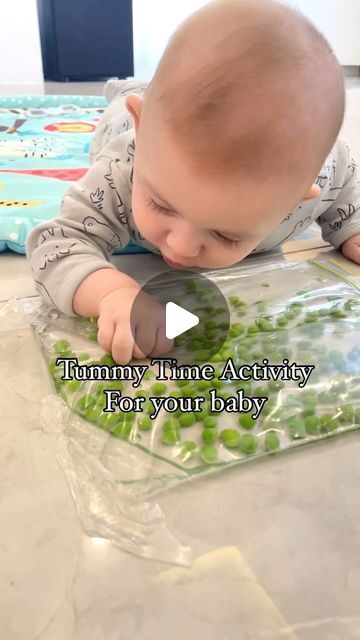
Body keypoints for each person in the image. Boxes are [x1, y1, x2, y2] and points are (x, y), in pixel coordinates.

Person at [27, 0, 360, 364]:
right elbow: (56, 244)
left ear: (298, 199)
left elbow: (346, 183)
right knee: (117, 112)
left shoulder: (322, 176)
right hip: (124, 125)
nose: (182, 247)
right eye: (161, 204)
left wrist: (352, 228)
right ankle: (128, 94)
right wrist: (111, 292)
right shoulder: (124, 172)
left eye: (225, 234)